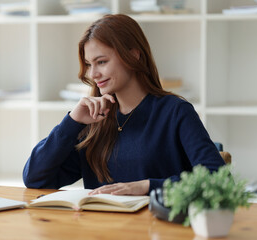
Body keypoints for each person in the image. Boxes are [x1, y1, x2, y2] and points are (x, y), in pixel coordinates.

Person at [23, 14, 225, 196]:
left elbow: (217, 179)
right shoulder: (95, 120)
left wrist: (146, 186)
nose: (93, 74)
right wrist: (71, 122)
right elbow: (35, 179)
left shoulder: (175, 112)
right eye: (89, 64)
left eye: (101, 62)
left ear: (133, 55)